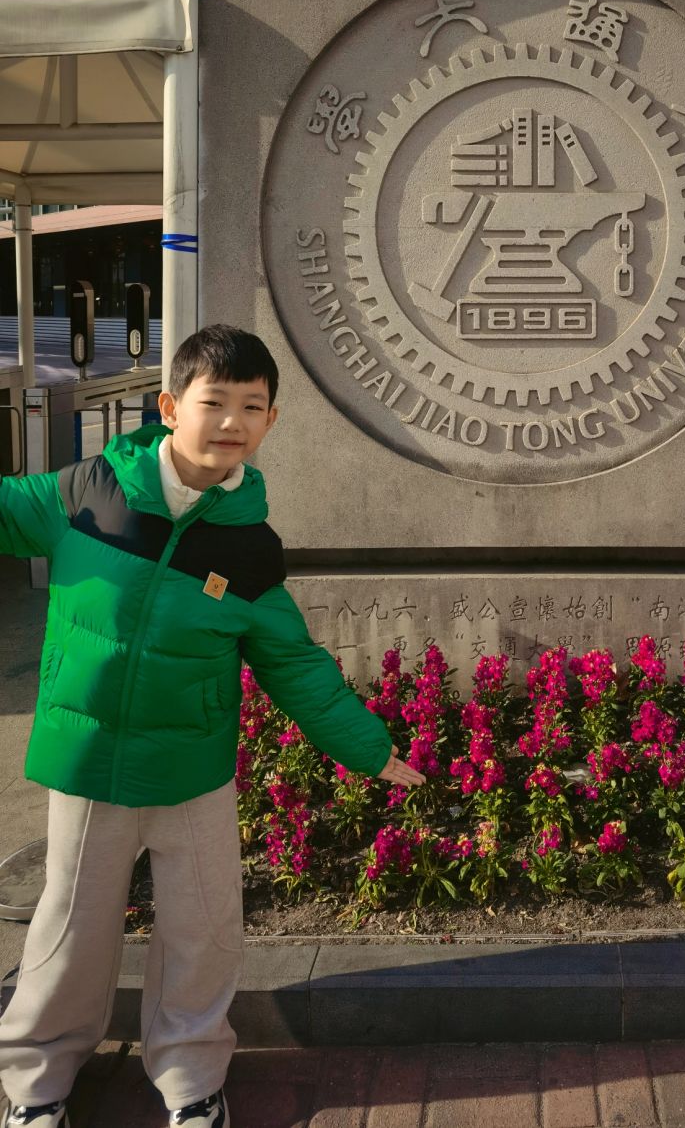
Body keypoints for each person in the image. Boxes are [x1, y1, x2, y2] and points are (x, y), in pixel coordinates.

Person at [0, 325, 423, 1128]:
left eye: (251, 407)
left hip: (192, 770)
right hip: (89, 763)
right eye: (213, 401)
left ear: (269, 423)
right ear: (170, 407)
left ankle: (191, 1079)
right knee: (67, 934)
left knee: (203, 932)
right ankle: (36, 1083)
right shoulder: (89, 490)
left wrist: (371, 749)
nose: (231, 420)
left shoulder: (250, 547)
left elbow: (294, 663)